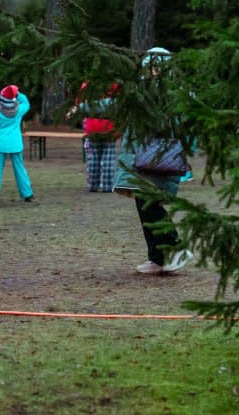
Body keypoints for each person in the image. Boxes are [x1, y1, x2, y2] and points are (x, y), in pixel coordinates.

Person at [114, 46, 194, 275]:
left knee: (152, 207)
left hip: (158, 161)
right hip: (141, 162)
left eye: (157, 66)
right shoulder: (141, 90)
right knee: (145, 207)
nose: (153, 70)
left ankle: (177, 249)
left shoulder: (172, 92)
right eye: (150, 66)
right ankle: (157, 258)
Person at [0, 84, 34, 202]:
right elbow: (26, 102)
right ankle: (27, 193)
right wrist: (17, 93)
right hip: (15, 144)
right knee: (20, 169)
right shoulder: (19, 109)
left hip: (0, 144)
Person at [74, 81, 119, 193]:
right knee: (108, 158)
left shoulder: (87, 84)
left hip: (92, 126)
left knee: (93, 157)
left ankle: (93, 184)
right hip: (109, 126)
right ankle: (107, 186)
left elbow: (79, 103)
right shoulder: (114, 84)